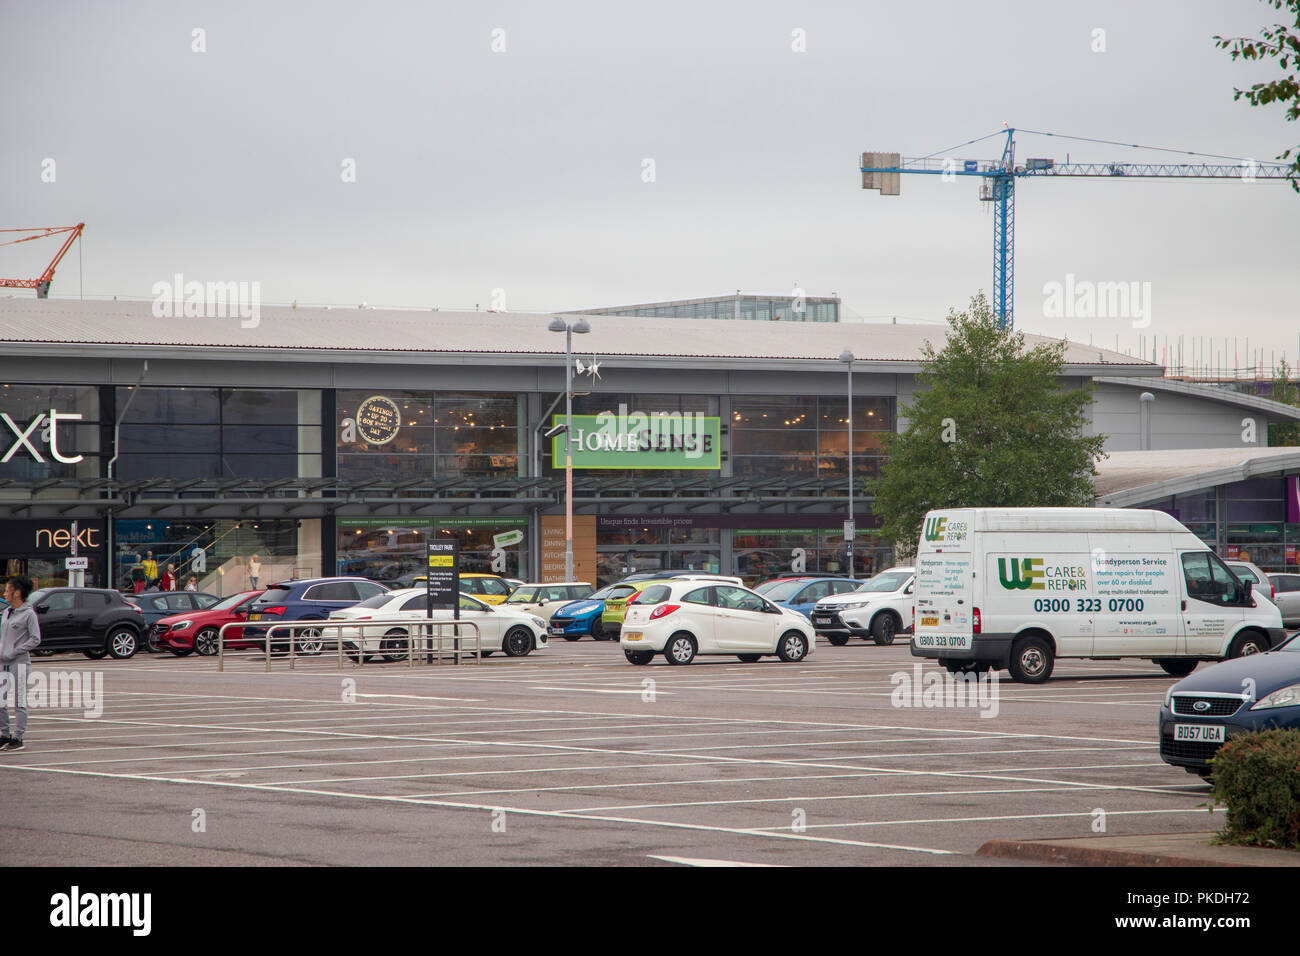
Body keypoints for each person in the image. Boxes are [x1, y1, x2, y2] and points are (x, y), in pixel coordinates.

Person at [0, 575, 42, 752]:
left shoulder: (29, 614)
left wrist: (15, 650)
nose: (4, 593)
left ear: (17, 593)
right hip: (2, 663)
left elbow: (35, 639)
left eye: (7, 590)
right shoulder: (7, 612)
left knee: (19, 701)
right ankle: (4, 734)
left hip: (20, 664)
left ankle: (17, 737)